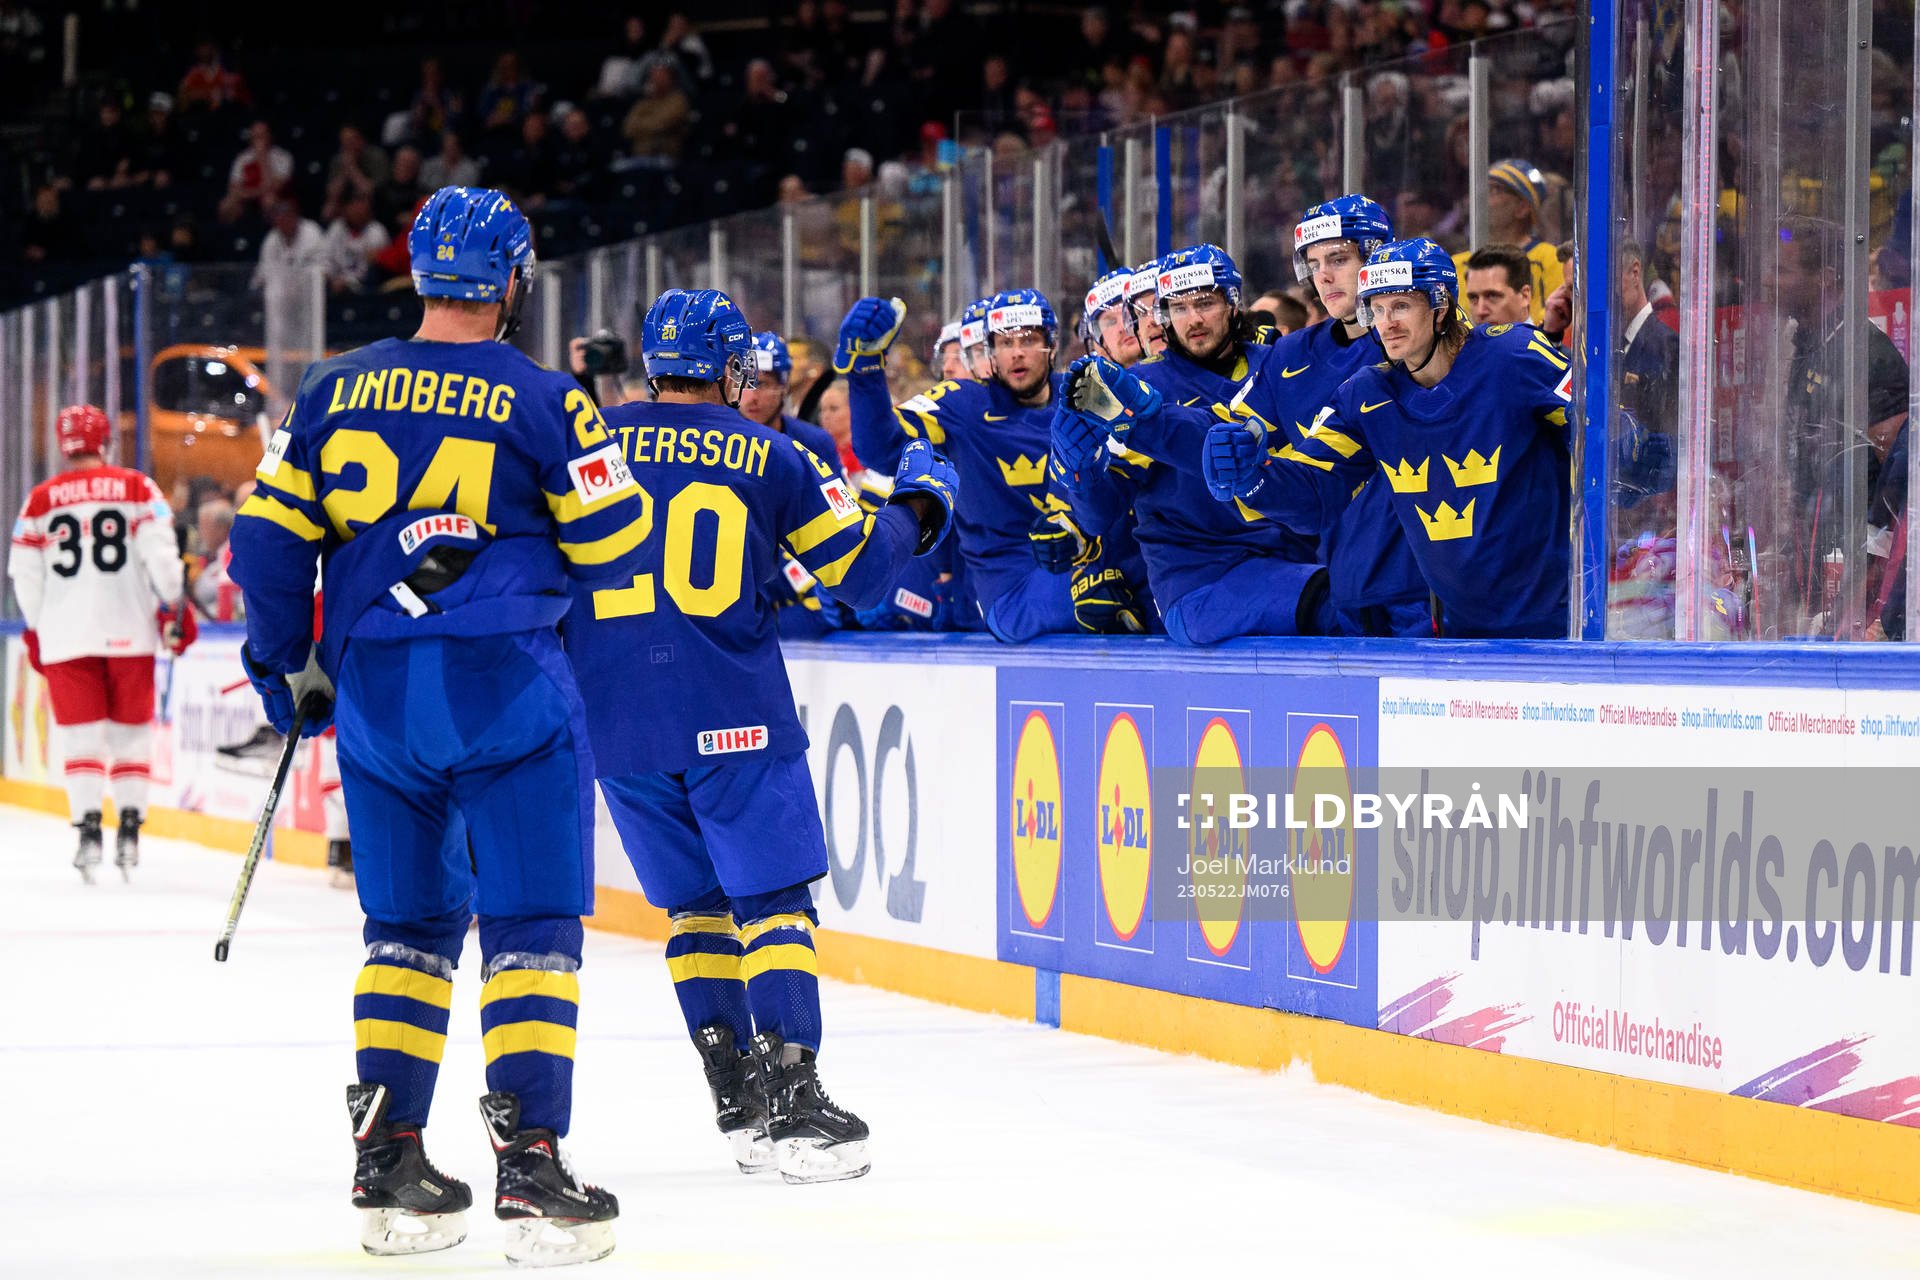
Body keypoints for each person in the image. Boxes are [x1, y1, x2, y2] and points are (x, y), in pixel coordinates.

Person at [228, 186, 628, 1266]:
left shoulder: (329, 386)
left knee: (403, 933)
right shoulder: (549, 398)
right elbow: (617, 538)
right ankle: (533, 1162)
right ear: (510, 281)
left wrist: (283, 668)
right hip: (509, 686)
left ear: (418, 272)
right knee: (533, 929)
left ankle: (389, 1155)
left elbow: (264, 545)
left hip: (377, 699)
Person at [567, 287, 957, 1182]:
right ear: (731, 368)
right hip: (730, 709)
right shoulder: (765, 453)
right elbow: (860, 576)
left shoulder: (585, 439)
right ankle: (795, 1100)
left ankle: (736, 1097)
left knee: (693, 910)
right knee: (772, 903)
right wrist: (922, 507)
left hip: (616, 718)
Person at [1201, 238, 1576, 639]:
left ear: (1440, 306)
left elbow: (1595, 434)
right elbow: (1316, 489)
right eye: (1376, 309)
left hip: (1556, 620)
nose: (1387, 323)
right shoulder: (1367, 394)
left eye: (1400, 306)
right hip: (1458, 632)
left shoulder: (1513, 354)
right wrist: (1252, 479)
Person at [1050, 243, 1323, 643]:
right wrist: (1081, 473)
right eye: (1179, 308)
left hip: (1292, 562)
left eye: (1205, 303)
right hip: (1204, 582)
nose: (1193, 319)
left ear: (1233, 303)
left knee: (1365, 588)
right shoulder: (1146, 386)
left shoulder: (1278, 363)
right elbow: (1100, 517)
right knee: (1337, 603)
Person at [842, 289, 1130, 639]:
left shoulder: (1083, 396)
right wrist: (866, 369)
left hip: (1087, 566)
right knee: (1107, 597)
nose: (1018, 353)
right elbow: (880, 448)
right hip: (1012, 591)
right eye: (1005, 343)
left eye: (1029, 339)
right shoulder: (960, 403)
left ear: (1052, 344)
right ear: (990, 351)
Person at [7, 405, 195, 880]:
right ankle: (130, 830)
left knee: (81, 738)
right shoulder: (136, 487)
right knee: (131, 735)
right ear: (105, 440)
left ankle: (88, 831)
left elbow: (24, 576)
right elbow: (162, 555)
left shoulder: (40, 500)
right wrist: (173, 601)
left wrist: (37, 626)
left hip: (66, 635)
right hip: (130, 630)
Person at [1451, 161, 1564, 327]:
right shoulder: (1455, 264)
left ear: (1523, 207)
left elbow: (1553, 323)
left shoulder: (1551, 260)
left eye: (1495, 190)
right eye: (1482, 188)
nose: (1482, 197)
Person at [1463, 243, 1535, 327]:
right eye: (1473, 298)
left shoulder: (1546, 338)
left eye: (1492, 296)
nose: (1480, 311)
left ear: (1524, 296)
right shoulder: (1466, 339)